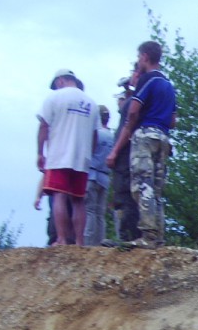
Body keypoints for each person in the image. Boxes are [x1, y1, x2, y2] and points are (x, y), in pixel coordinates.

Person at [107, 41, 176, 248]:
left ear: (145, 56)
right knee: (156, 188)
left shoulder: (149, 79)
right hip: (163, 137)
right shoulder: (168, 85)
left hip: (145, 135)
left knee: (141, 185)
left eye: (139, 57)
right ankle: (158, 237)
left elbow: (133, 110)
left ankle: (147, 236)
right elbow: (174, 120)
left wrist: (128, 129)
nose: (138, 61)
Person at [37, 69, 97, 246]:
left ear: (60, 81)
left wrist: (40, 153)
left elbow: (43, 127)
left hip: (60, 155)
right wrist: (89, 155)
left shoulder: (54, 98)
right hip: (82, 158)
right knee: (78, 200)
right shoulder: (91, 103)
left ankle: (61, 239)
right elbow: (95, 135)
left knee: (59, 196)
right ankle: (79, 242)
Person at [108, 68, 141, 242]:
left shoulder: (135, 103)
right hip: (133, 154)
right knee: (133, 194)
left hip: (126, 156)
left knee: (125, 195)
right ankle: (130, 235)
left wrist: (114, 152)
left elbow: (127, 129)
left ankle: (127, 237)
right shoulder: (141, 100)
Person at [84, 105, 114, 245]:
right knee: (100, 213)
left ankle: (88, 243)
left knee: (90, 210)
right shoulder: (113, 136)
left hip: (92, 175)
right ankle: (100, 242)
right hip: (106, 177)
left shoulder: (95, 134)